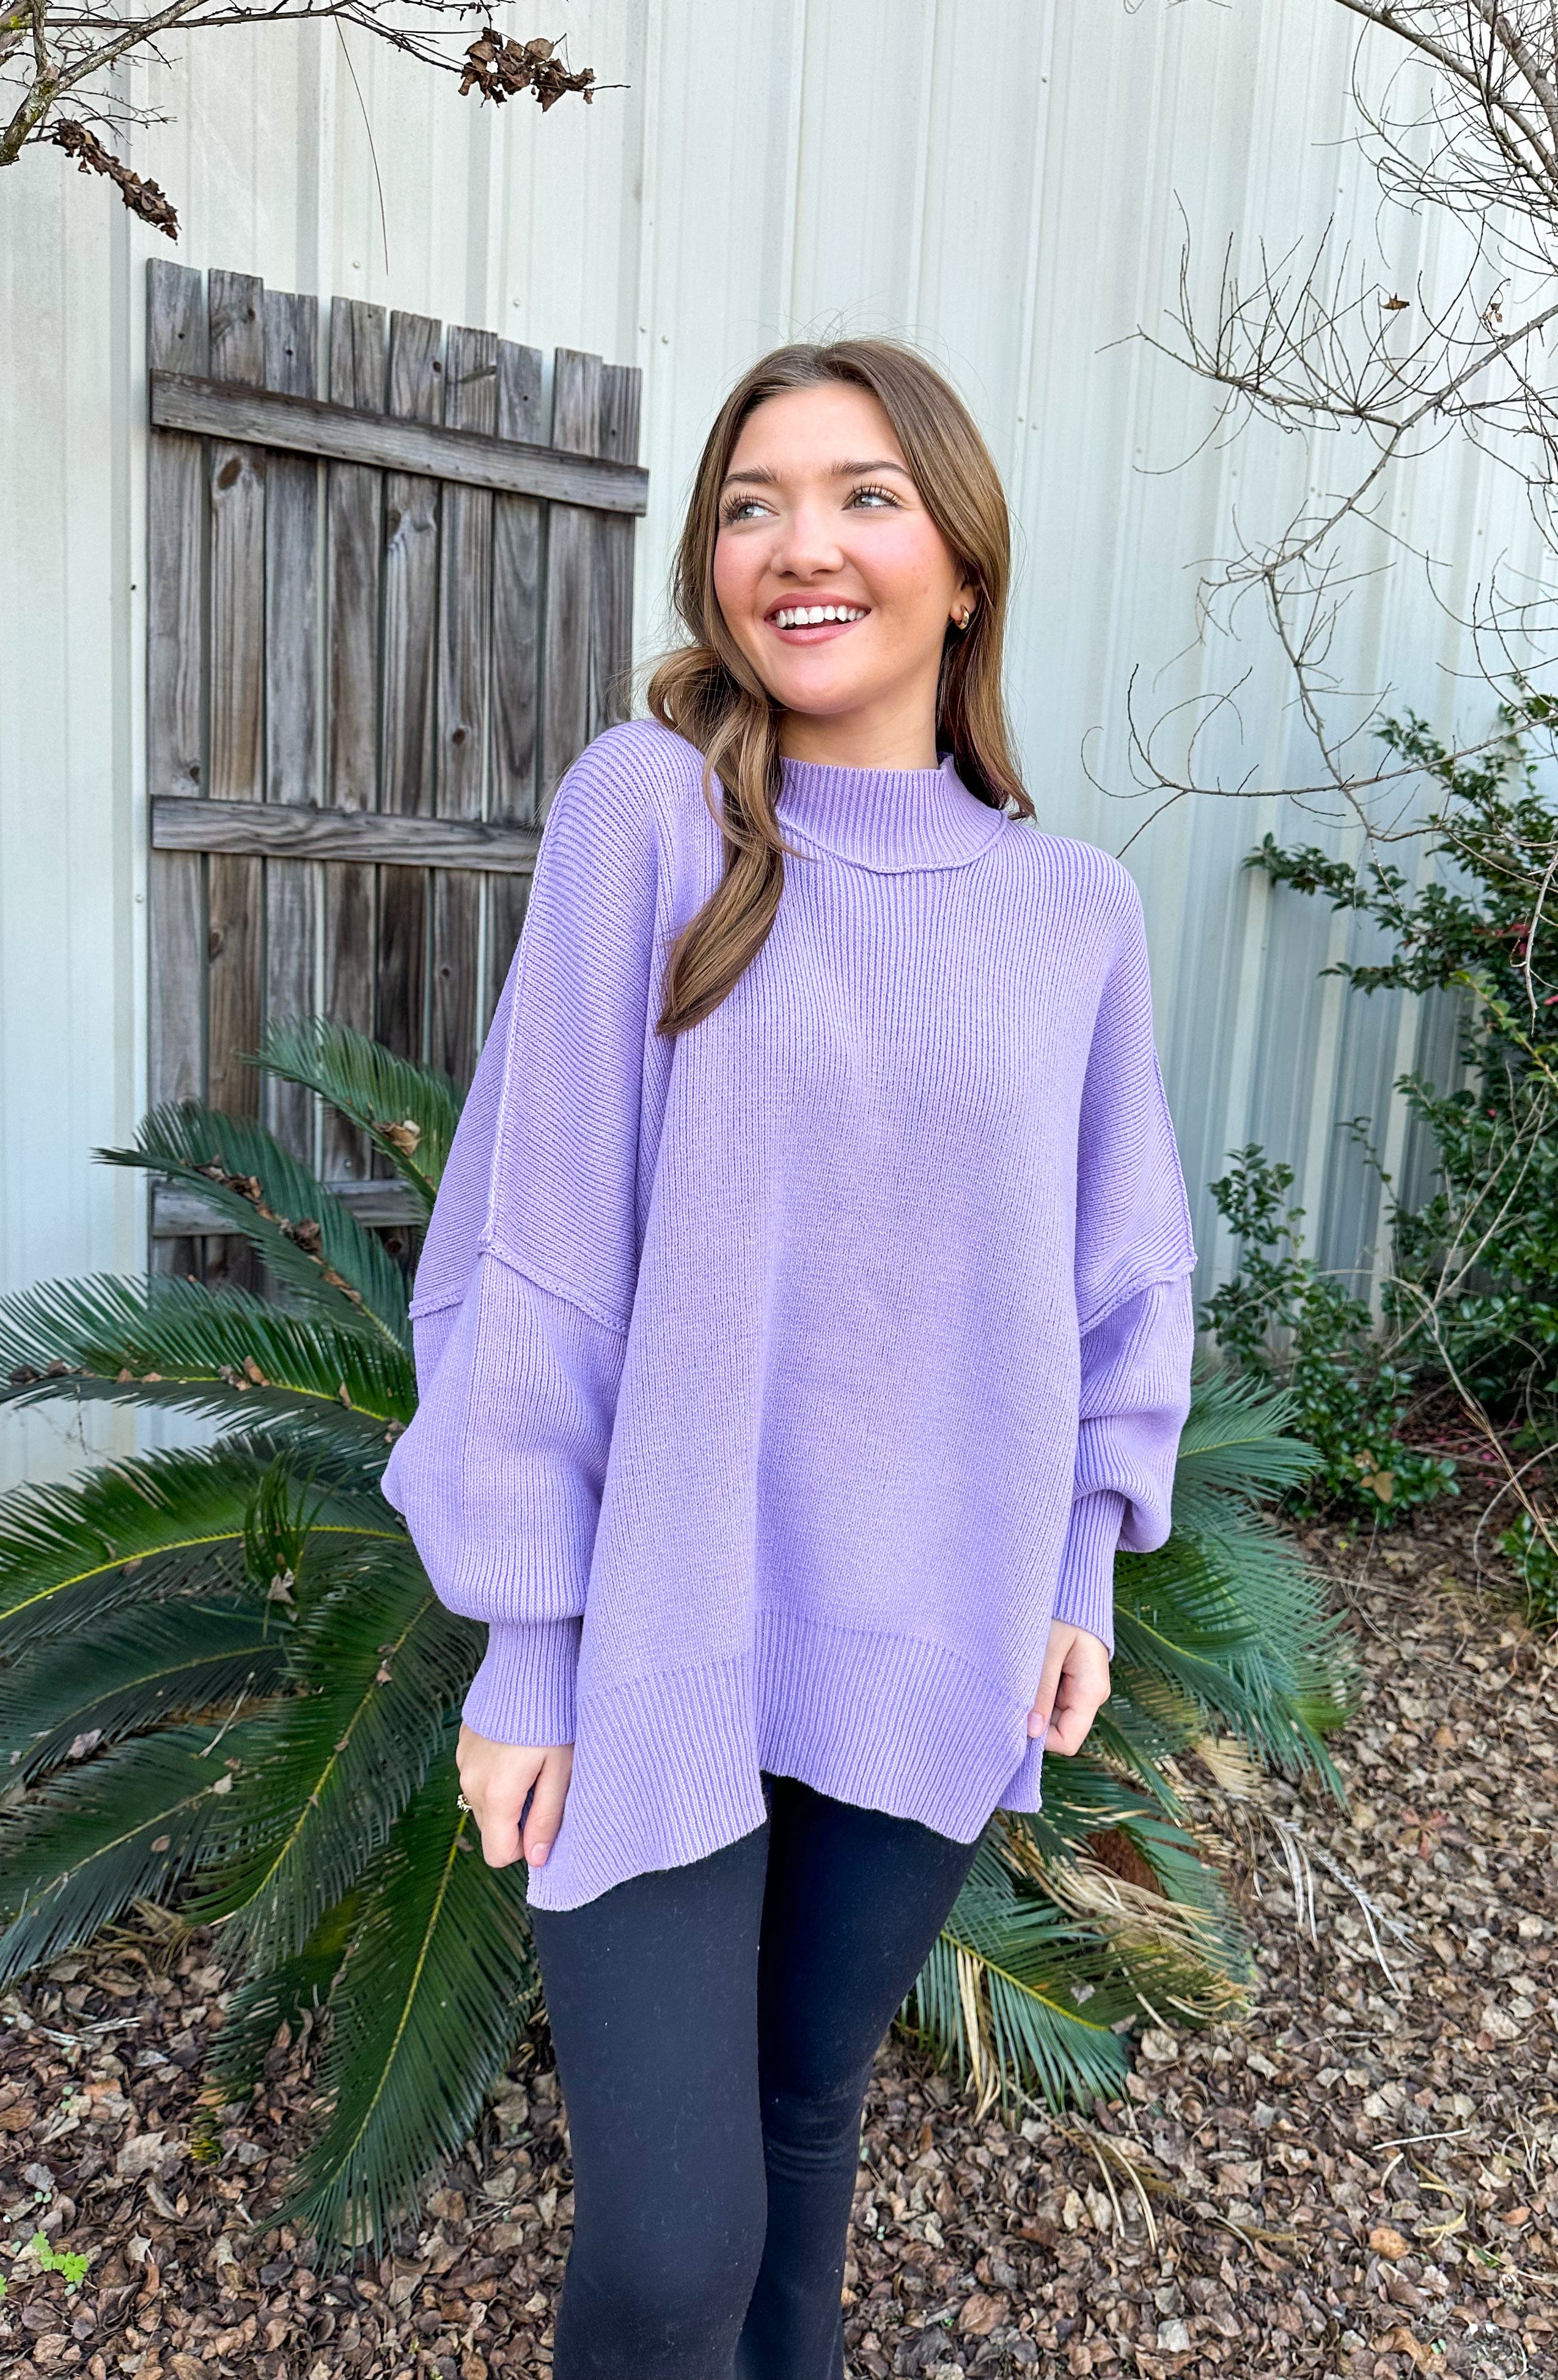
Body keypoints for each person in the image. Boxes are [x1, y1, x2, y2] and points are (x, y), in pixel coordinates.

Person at [380, 338, 1198, 2380]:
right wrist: (531, 1641)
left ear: (965, 567)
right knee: (675, 2248)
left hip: (938, 1626)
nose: (798, 546)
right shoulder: (648, 816)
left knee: (807, 2125)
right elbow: (536, 1252)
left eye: (862, 497)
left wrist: (1082, 1559)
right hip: (659, 1635)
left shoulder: (1072, 914)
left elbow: (1117, 1277)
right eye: (752, 506)